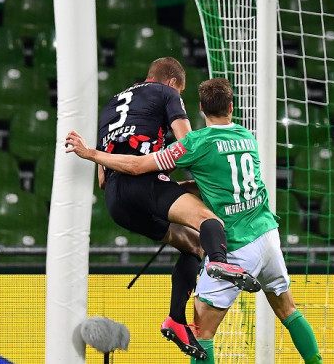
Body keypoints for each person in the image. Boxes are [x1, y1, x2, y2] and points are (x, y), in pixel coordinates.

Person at [65, 77, 323, 364]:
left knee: (201, 333)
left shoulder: (195, 144)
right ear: (231, 106)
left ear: (200, 108)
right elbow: (220, 181)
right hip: (268, 235)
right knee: (288, 311)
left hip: (237, 244)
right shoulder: (246, 136)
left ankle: (215, 270)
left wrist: (91, 154)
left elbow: (138, 166)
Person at [91, 58, 260, 360]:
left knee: (193, 245)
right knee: (207, 220)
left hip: (116, 200)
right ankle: (219, 263)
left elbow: (102, 179)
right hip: (144, 181)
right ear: (172, 83)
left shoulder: (111, 104)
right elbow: (189, 142)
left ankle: (176, 321)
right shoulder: (167, 93)